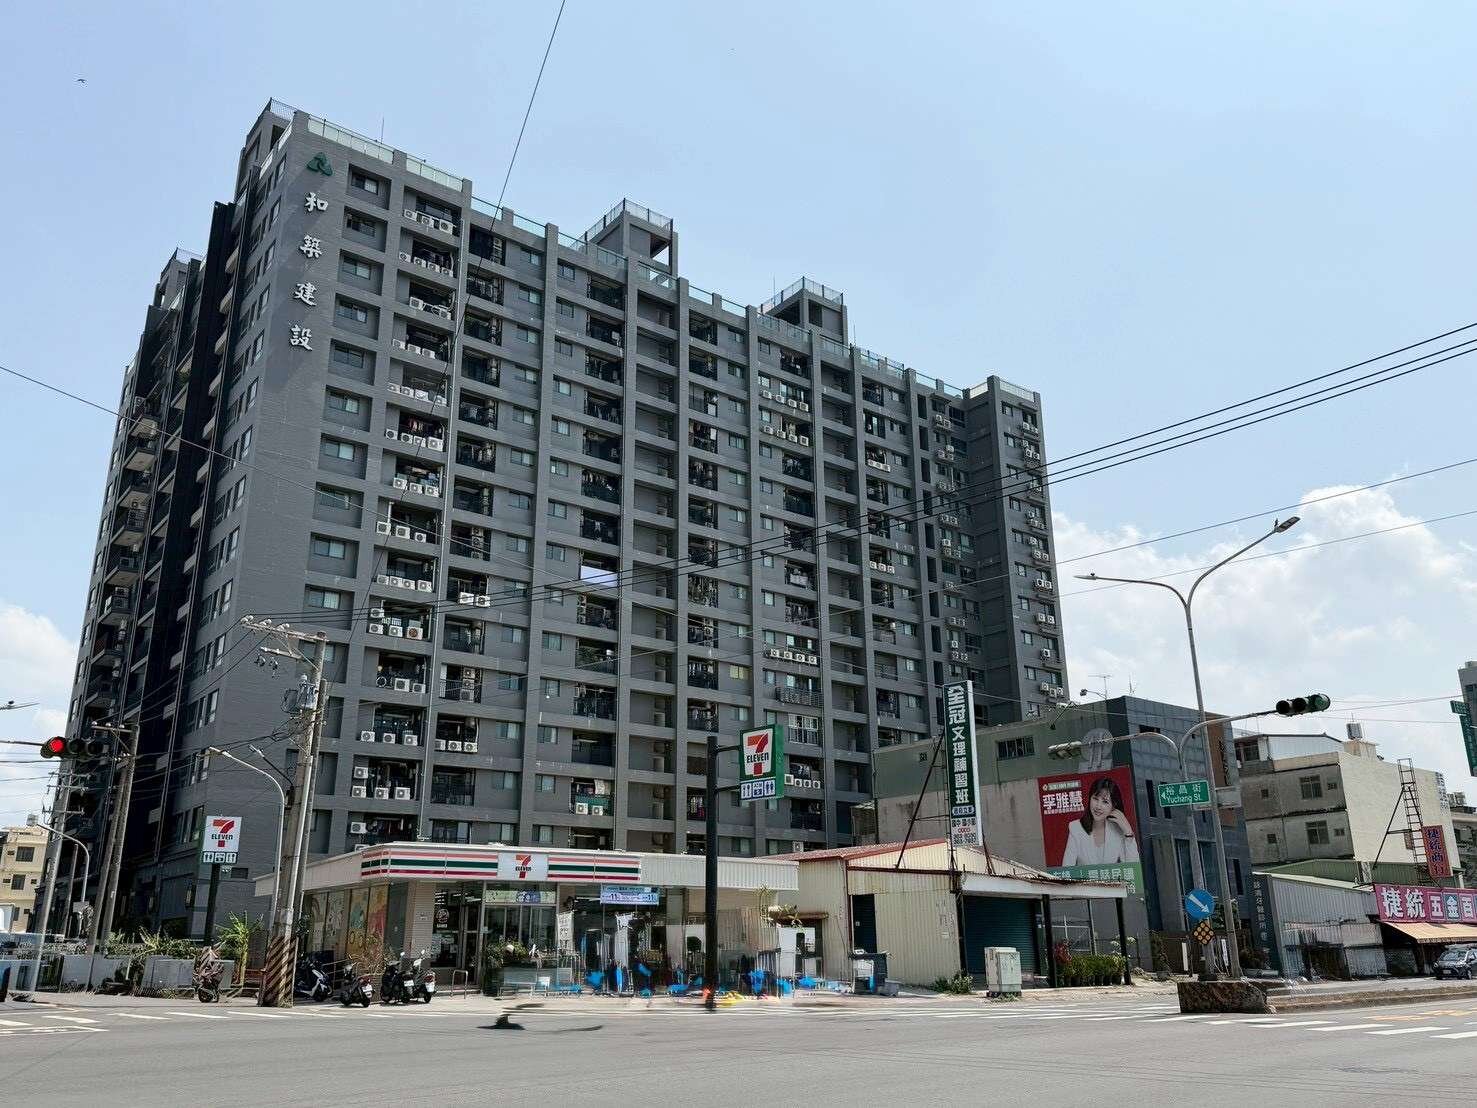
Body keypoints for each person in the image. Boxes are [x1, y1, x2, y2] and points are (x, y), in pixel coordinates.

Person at [1061, 777, 1139, 866]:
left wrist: (1128, 831)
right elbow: (1067, 868)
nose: (1098, 806)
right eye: (1095, 799)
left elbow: (1133, 868)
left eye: (1105, 802)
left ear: (1113, 806)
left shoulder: (1118, 830)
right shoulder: (1076, 828)